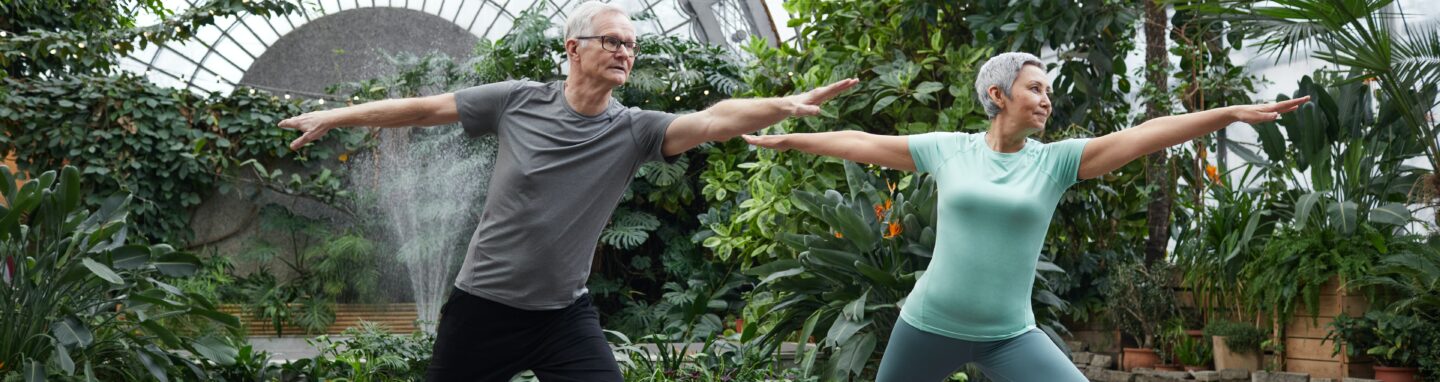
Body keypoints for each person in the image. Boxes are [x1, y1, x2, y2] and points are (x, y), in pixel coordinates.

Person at [276, 1, 857, 380]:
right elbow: (425, 109)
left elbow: (714, 118)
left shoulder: (636, 130)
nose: (625, 52)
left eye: (631, 45)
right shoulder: (519, 100)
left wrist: (783, 106)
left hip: (563, 315)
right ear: (573, 48)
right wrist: (340, 115)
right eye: (612, 41)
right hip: (483, 309)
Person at [742, 52, 1309, 381]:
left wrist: (1227, 112)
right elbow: (862, 142)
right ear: (997, 92)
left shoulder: (1057, 162)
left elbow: (1140, 137)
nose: (1046, 99)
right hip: (926, 326)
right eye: (1034, 87)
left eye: (1049, 91)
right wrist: (791, 138)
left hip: (1009, 336)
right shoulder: (949, 149)